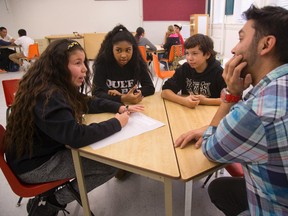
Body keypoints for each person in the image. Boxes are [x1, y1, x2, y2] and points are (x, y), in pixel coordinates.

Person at [1, 39, 144, 215]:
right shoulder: (49, 96)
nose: (85, 68)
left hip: (33, 155)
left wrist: (118, 107)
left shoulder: (50, 84)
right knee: (108, 167)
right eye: (78, 63)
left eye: (84, 61)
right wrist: (117, 123)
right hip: (35, 166)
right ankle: (51, 202)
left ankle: (50, 198)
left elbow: (85, 101)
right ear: (59, 66)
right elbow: (76, 137)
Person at [175, 5, 288, 216]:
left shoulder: (257, 111)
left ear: (266, 44)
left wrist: (230, 97)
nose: (234, 50)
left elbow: (210, 149)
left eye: (240, 38)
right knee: (221, 189)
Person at [92, 24, 155, 104]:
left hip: (132, 107)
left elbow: (149, 87)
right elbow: (96, 92)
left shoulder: (137, 62)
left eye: (128, 50)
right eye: (118, 50)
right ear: (112, 49)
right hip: (110, 107)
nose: (123, 55)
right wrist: (122, 98)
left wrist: (128, 95)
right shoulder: (103, 63)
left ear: (133, 49)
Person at [161, 34, 226, 108]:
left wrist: (205, 101)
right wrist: (184, 101)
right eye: (187, 53)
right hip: (188, 112)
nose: (189, 58)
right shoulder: (185, 69)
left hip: (211, 114)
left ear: (207, 54)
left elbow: (229, 100)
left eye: (194, 53)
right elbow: (165, 92)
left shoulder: (219, 72)